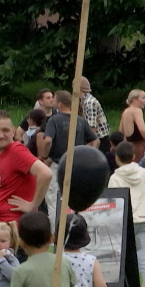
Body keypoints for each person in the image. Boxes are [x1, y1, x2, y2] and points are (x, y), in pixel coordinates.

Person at [0, 110, 52, 252]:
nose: (1, 135)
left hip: (15, 232)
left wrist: (32, 205)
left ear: (13, 131)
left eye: (5, 130)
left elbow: (45, 173)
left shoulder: (16, 151)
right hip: (2, 230)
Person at [40, 90, 98, 230]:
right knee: (74, 198)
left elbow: (47, 140)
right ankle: (76, 229)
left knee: (54, 200)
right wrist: (88, 154)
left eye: (54, 100)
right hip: (76, 164)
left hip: (58, 164)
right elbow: (95, 140)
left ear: (59, 103)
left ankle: (56, 233)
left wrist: (44, 155)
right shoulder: (80, 120)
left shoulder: (54, 120)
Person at [108, 141, 145, 280]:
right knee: (144, 257)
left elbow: (112, 202)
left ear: (116, 157)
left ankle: (118, 286)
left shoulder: (115, 178)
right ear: (134, 156)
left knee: (120, 256)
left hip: (124, 221)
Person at [79, 76, 111, 153]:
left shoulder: (89, 102)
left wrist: (89, 143)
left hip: (99, 139)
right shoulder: (85, 101)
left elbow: (92, 126)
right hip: (97, 139)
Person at [120, 89, 145, 160]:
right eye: (143, 98)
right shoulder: (137, 110)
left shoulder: (126, 111)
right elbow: (142, 130)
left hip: (128, 147)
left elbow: (121, 131)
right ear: (134, 99)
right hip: (139, 147)